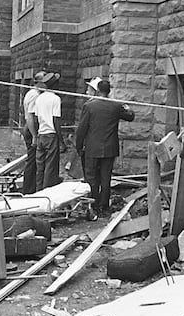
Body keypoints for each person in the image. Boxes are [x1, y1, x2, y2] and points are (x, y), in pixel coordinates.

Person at [75, 80, 135, 213]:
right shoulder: (116, 106)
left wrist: (78, 146)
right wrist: (126, 106)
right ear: (109, 91)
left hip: (92, 147)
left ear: (97, 90)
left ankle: (94, 204)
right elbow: (130, 117)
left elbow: (82, 129)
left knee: (92, 177)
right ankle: (104, 206)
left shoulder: (89, 106)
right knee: (105, 177)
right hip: (109, 147)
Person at [34, 72, 66, 192]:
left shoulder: (39, 98)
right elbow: (55, 120)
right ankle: (46, 194)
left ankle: (38, 192)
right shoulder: (55, 99)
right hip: (51, 135)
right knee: (50, 168)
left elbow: (37, 119)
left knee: (40, 167)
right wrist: (61, 141)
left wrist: (37, 135)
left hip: (41, 134)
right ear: (55, 84)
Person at [21, 71, 46, 194]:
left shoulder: (31, 93)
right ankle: (29, 189)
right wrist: (35, 136)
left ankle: (30, 188)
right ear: (38, 83)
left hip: (31, 128)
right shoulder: (35, 95)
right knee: (32, 160)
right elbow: (30, 117)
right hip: (31, 129)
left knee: (33, 160)